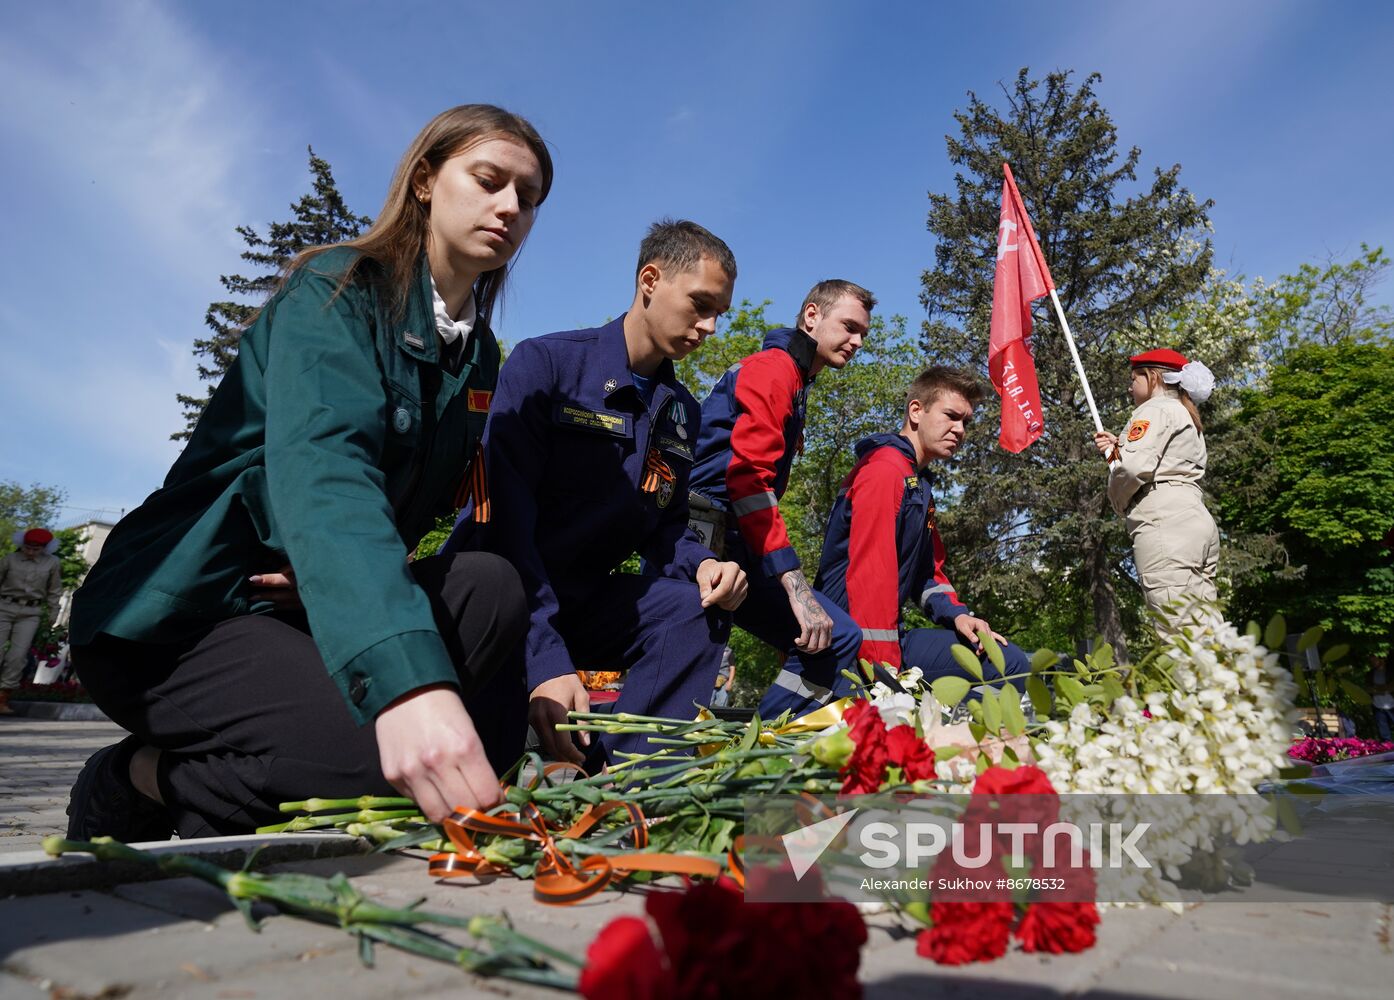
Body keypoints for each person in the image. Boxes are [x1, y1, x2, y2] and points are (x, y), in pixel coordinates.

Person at [65, 104, 552, 840]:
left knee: (491, 585)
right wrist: (410, 686)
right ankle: (135, 778)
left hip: (297, 607)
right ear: (424, 181)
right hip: (187, 613)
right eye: (490, 180)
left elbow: (400, 514)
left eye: (530, 197)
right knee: (374, 763)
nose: (511, 207)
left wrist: (325, 580)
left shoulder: (478, 357)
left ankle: (232, 780)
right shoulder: (340, 290)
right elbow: (326, 472)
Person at [443, 219, 748, 769]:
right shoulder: (549, 365)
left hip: (584, 601)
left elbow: (667, 526)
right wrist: (547, 658)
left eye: (719, 313)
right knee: (484, 785)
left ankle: (628, 789)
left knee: (695, 611)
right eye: (700, 304)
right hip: (500, 602)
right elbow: (503, 522)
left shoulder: (684, 413)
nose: (709, 326)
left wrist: (703, 565)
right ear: (650, 279)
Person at [687, 280, 875, 719]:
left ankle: (763, 751)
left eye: (863, 332)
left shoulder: (795, 379)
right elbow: (748, 481)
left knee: (834, 638)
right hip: (704, 539)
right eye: (848, 327)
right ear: (812, 316)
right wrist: (795, 585)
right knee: (688, 667)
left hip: (736, 541)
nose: (858, 341)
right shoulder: (775, 370)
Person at [798, 368, 1029, 716]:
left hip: (889, 641)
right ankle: (934, 741)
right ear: (916, 411)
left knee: (1007, 660)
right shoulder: (885, 470)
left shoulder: (916, 483)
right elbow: (870, 581)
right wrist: (888, 682)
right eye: (951, 416)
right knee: (1005, 667)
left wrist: (958, 616)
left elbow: (927, 572)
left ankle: (948, 743)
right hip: (851, 647)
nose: (960, 430)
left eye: (966, 421)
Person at [1093, 349, 1218, 631]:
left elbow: (1132, 469)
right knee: (1205, 628)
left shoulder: (1154, 409)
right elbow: (1146, 463)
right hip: (1193, 517)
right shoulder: (1184, 413)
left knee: (1178, 630)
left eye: (1134, 378)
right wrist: (1115, 452)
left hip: (1165, 523)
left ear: (1153, 377)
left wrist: (1118, 501)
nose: (1129, 387)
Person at [0, 528, 64, 715]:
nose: (30, 552)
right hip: (3, 606)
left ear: (45, 548)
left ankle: (3, 697)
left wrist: (53, 615)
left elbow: (54, 590)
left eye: (36, 549)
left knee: (17, 656)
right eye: (27, 547)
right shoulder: (10, 559)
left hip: (31, 612)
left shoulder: (52, 563)